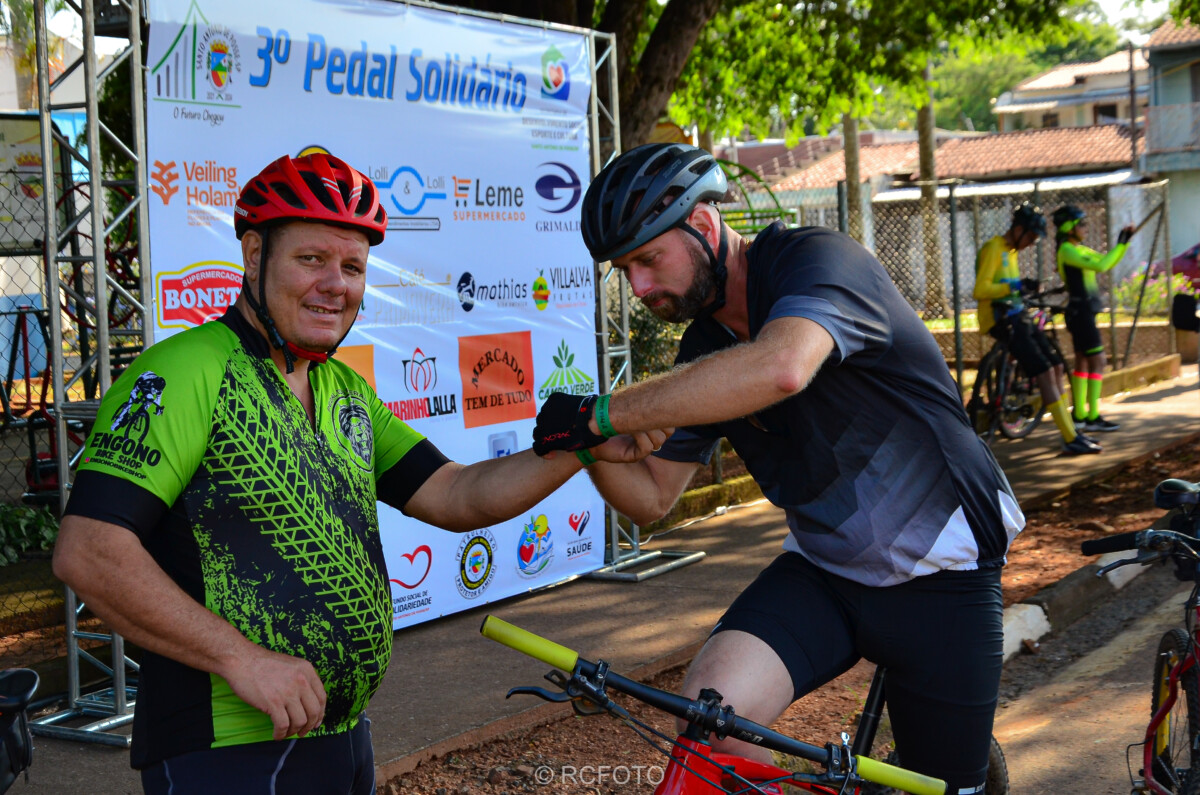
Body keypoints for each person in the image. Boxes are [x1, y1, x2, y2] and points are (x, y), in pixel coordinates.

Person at [51, 152, 666, 795]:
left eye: (352, 267)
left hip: (342, 737)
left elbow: (457, 495)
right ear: (254, 255)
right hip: (226, 749)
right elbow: (89, 551)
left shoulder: (343, 390)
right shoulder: (186, 371)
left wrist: (583, 446)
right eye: (311, 259)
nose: (335, 285)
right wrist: (241, 659)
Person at [531, 143, 1023, 794]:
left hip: (945, 574)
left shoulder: (817, 261)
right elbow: (651, 497)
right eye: (625, 271)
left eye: (648, 260)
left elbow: (782, 366)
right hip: (825, 572)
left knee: (946, 788)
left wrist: (604, 413)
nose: (640, 288)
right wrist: (585, 445)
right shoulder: (706, 348)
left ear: (702, 225)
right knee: (708, 725)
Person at [973, 203, 1100, 455]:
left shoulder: (1011, 252)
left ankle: (1072, 431)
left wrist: (1024, 287)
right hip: (1000, 320)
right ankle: (1069, 437)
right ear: (1018, 229)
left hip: (1017, 315)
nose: (1032, 243)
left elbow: (1011, 287)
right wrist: (1014, 287)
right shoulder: (993, 249)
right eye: (1030, 237)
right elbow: (980, 290)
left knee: (1056, 366)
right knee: (1044, 371)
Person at [1053, 204, 1134, 433]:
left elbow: (1106, 260)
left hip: (1082, 312)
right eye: (1082, 224)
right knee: (1098, 361)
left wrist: (1122, 242)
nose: (1085, 228)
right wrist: (1122, 244)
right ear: (1069, 228)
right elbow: (1102, 265)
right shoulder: (1067, 250)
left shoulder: (1077, 249)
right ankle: (1092, 415)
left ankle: (1080, 415)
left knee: (1083, 361)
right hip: (1080, 313)